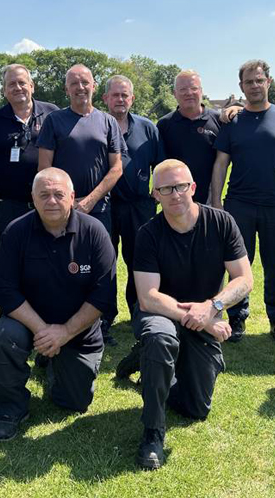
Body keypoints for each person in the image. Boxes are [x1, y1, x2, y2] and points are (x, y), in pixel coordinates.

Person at [132, 159, 253, 469]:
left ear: (194, 188)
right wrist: (201, 318)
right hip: (160, 314)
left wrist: (212, 308)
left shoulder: (222, 223)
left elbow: (244, 279)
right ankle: (153, 431)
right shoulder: (148, 233)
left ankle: (147, 364)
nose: (176, 194)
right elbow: (148, 297)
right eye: (166, 189)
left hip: (204, 314)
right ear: (155, 195)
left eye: (182, 186)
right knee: (160, 338)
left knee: (197, 407)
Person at [0, 168, 116, 441]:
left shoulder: (94, 232)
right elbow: (3, 291)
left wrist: (66, 332)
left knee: (73, 403)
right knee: (3, 335)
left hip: (78, 330)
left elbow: (103, 296)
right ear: (32, 198)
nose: (51, 201)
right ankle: (11, 407)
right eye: (43, 195)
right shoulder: (16, 231)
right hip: (27, 324)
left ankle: (52, 362)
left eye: (59, 194)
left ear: (72, 197)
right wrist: (43, 329)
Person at [210, 60, 275, 347]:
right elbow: (220, 164)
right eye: (248, 82)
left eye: (259, 80)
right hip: (239, 205)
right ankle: (237, 319)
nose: (254, 85)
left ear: (269, 82)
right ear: (241, 87)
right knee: (239, 266)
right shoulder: (232, 121)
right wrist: (216, 201)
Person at [37, 64, 124, 345]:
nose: (80, 87)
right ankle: (57, 321)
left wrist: (89, 200)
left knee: (102, 266)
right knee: (61, 266)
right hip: (61, 210)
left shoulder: (108, 122)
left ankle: (103, 323)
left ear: (94, 86)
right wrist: (62, 201)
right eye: (74, 83)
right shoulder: (54, 121)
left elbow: (116, 168)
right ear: (66, 89)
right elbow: (44, 168)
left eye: (85, 82)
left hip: (98, 209)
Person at [100, 75, 164, 378]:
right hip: (107, 206)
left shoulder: (147, 128)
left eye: (125, 95)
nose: (120, 100)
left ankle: (140, 315)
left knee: (140, 261)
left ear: (132, 99)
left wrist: (157, 190)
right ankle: (103, 320)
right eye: (115, 96)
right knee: (105, 264)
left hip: (140, 205)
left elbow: (161, 164)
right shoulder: (97, 124)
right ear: (105, 99)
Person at [0, 64, 58, 250]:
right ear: (4, 90)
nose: (18, 87)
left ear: (32, 86)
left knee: (48, 253)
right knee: (8, 254)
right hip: (10, 205)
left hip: (48, 202)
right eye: (11, 84)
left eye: (22, 82)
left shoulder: (52, 113)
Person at [156, 70, 222, 204]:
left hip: (210, 201)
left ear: (201, 91)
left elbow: (224, 162)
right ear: (175, 94)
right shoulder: (164, 125)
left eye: (194, 88)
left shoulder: (218, 121)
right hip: (176, 200)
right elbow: (159, 164)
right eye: (183, 89)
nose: (189, 93)